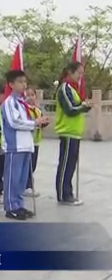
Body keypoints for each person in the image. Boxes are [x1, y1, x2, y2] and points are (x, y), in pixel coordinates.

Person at [1, 70, 48, 220]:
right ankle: (11, 207)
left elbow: (28, 121)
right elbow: (14, 122)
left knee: (22, 178)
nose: (23, 85)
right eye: (20, 82)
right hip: (15, 145)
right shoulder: (9, 102)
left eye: (24, 82)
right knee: (12, 177)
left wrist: (39, 121)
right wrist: (34, 122)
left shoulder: (22, 103)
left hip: (26, 144)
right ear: (11, 84)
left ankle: (19, 204)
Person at [54, 62, 91, 205]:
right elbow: (70, 109)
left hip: (74, 132)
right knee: (65, 164)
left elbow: (77, 107)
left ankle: (68, 192)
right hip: (67, 131)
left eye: (82, 74)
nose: (80, 76)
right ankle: (63, 195)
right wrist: (83, 106)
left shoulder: (73, 89)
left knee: (71, 164)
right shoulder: (64, 88)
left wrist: (84, 107)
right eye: (78, 73)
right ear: (70, 72)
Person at [25, 88, 45, 197]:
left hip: (36, 140)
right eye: (28, 95)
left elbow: (41, 121)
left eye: (32, 95)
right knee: (28, 164)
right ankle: (27, 185)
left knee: (33, 164)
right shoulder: (24, 109)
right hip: (28, 141)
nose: (30, 97)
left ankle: (29, 184)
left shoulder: (37, 110)